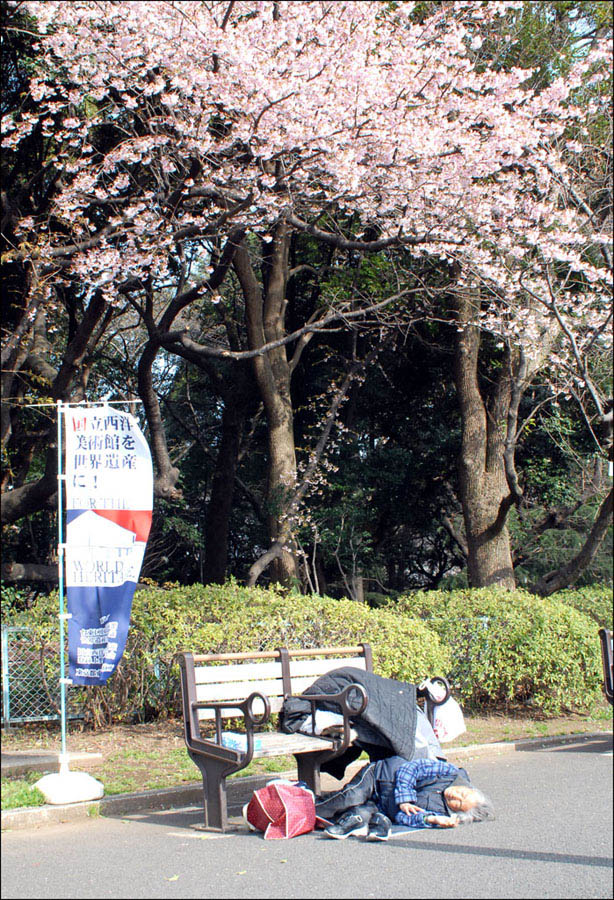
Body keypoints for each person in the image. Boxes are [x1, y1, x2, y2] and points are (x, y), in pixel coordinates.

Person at [316, 755, 494, 842]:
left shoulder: (441, 810)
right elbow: (411, 768)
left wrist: (431, 819)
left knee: (359, 815)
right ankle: (308, 809)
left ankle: (318, 811)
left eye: (458, 804)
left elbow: (402, 818)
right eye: (462, 793)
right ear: (467, 787)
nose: (455, 796)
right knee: (351, 798)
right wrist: (405, 799)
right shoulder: (449, 772)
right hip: (380, 776)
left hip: (382, 806)